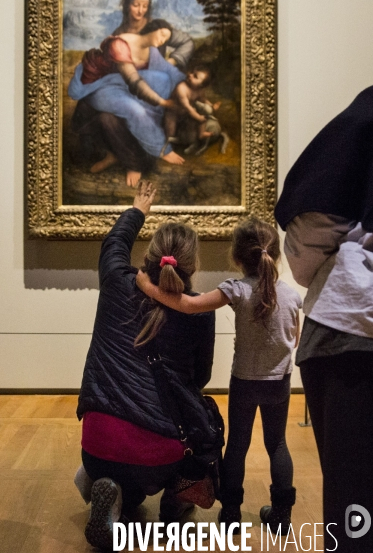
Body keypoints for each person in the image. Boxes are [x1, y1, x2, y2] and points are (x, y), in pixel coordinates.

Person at [75, 181, 216, 550]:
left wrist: (138, 209)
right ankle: (175, 498)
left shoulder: (117, 282)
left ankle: (108, 489)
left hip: (96, 443)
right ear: (192, 265)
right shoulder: (198, 309)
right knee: (208, 421)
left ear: (150, 255)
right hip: (160, 454)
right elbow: (199, 379)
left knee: (104, 470)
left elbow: (114, 244)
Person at [137, 217, 302, 532]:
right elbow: (294, 339)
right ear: (276, 256)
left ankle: (230, 515)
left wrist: (147, 286)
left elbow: (189, 305)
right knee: (277, 443)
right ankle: (281, 516)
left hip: (244, 382)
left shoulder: (236, 289)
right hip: (278, 382)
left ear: (237, 258)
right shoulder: (292, 296)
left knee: (238, 445)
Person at [275, 86, 373, 551]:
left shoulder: (365, 114)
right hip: (350, 330)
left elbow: (310, 224)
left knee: (354, 501)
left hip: (348, 328)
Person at [71, 0, 195, 185]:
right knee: (112, 117)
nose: (140, 11)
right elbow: (131, 79)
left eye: (145, 6)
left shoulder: (157, 31)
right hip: (118, 86)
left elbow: (173, 62)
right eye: (136, 5)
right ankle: (130, 159)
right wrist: (161, 102)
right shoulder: (120, 37)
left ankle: (139, 149)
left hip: (137, 86)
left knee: (158, 89)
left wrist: (174, 63)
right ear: (127, 5)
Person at [163, 65, 213, 144]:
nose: (190, 75)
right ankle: (168, 145)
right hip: (173, 112)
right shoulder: (181, 88)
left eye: (195, 76)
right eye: (192, 72)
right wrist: (198, 117)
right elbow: (187, 107)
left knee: (200, 121)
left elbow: (202, 99)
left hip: (187, 113)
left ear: (201, 85)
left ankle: (201, 134)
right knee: (170, 133)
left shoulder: (200, 90)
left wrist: (211, 105)